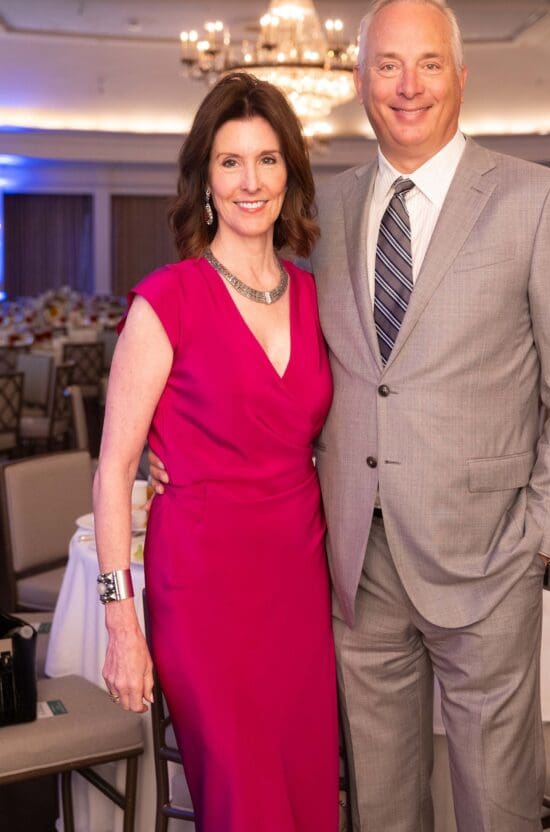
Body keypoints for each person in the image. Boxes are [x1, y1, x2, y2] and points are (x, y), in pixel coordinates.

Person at [151, 0, 550, 832]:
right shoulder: (327, 209)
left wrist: (539, 537)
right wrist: (174, 439)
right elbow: (277, 354)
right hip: (353, 565)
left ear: (460, 77)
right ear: (358, 79)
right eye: (387, 64)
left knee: (495, 805)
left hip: (487, 560)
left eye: (428, 63)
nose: (408, 85)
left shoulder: (535, 201)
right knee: (381, 805)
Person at [92, 73, 338, 832]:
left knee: (304, 789)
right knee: (242, 799)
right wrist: (123, 628)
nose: (249, 181)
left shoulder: (315, 295)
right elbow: (112, 473)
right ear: (204, 178)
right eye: (230, 162)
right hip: (201, 587)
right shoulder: (167, 300)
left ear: (289, 175)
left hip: (299, 580)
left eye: (266, 160)